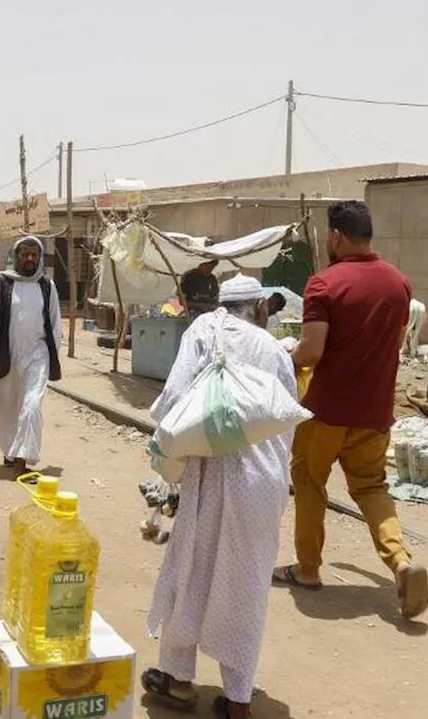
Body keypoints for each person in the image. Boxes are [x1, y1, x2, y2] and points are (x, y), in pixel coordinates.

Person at [143, 274, 298, 719]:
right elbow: (288, 415)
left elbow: (174, 397)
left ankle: (177, 680)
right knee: (246, 587)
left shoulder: (203, 331)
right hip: (262, 484)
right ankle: (238, 701)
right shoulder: (273, 349)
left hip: (210, 475)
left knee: (190, 568)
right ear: (260, 309)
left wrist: (171, 458)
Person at [274, 199, 428, 620]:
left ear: (337, 236)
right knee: (371, 488)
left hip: (326, 412)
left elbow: (311, 351)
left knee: (309, 482)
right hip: (375, 413)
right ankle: (400, 562)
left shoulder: (324, 285)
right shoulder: (399, 284)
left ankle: (307, 569)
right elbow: (392, 347)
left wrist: (281, 357)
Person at [0, 236, 61, 479]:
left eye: (34, 255)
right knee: (7, 409)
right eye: (24, 254)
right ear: (16, 257)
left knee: (31, 405)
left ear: (40, 258)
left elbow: (54, 325)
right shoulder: (2, 283)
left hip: (37, 355)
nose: (29, 259)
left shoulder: (47, 286)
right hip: (4, 355)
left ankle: (22, 459)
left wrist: (52, 358)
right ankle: (11, 452)